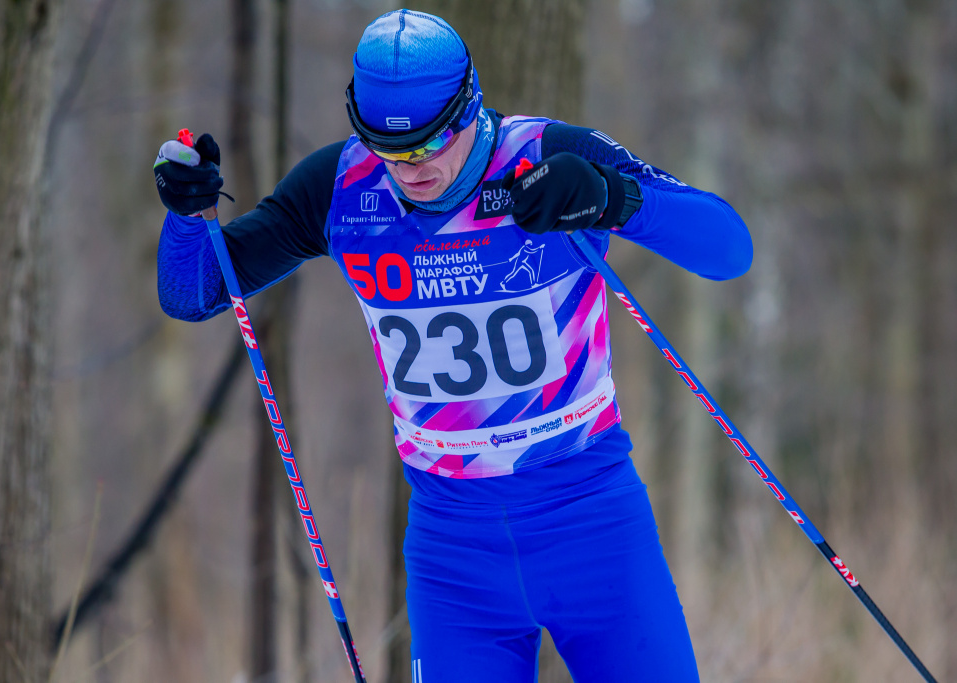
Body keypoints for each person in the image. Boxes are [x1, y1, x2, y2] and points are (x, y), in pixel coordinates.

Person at [153, 9, 752, 682]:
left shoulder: (552, 157)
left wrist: (613, 197)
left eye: (430, 144)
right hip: (454, 557)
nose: (410, 168)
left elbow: (730, 248)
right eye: (387, 146)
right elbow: (196, 291)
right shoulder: (341, 191)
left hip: (593, 524)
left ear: (470, 107)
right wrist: (184, 211)